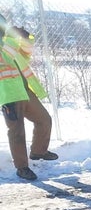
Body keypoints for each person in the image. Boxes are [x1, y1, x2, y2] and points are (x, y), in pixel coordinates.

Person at [0, 13, 57, 181]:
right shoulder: (6, 45)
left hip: (25, 91)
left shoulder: (8, 44)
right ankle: (22, 167)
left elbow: (26, 54)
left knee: (44, 120)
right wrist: (11, 38)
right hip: (9, 95)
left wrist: (26, 38)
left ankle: (38, 151)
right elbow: (6, 57)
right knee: (17, 131)